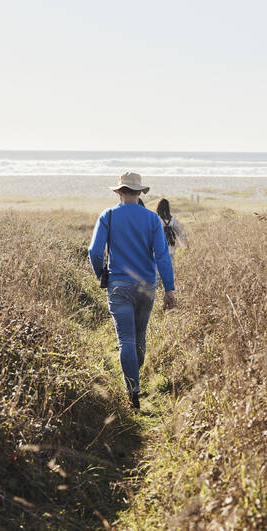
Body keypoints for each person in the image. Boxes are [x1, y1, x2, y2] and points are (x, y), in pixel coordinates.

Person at [89, 172, 177, 410]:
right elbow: (162, 256)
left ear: (119, 192)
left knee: (125, 340)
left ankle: (132, 391)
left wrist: (101, 274)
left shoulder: (107, 216)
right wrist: (169, 288)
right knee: (139, 336)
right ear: (140, 192)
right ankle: (134, 380)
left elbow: (95, 252)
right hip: (146, 286)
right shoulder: (151, 219)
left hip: (118, 285)